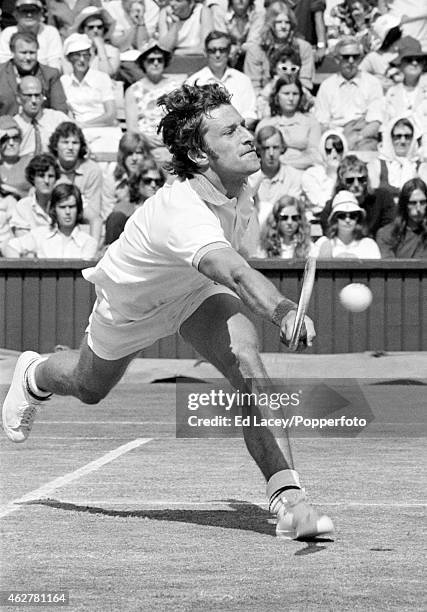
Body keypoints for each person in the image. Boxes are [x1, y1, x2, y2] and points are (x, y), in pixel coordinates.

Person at [2, 82, 333, 541]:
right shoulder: (183, 212)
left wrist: (274, 313)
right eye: (231, 131)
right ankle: (35, 373)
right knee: (87, 385)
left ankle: (290, 500)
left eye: (243, 125)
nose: (247, 136)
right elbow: (236, 272)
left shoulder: (241, 186)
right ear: (200, 155)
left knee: (246, 362)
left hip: (195, 291)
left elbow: (229, 272)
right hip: (132, 306)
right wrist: (283, 311)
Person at [314, 35, 384, 151]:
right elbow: (322, 123)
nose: (351, 61)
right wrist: (339, 141)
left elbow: (375, 122)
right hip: (334, 138)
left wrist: (356, 138)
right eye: (346, 57)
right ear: (337, 59)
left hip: (363, 138)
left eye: (355, 57)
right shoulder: (327, 86)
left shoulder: (372, 83)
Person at [60, 33, 122, 159]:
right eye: (77, 55)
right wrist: (77, 126)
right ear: (69, 58)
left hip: (105, 129)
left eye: (85, 55)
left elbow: (110, 114)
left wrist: (85, 124)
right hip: (77, 132)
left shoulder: (102, 78)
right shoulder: (63, 82)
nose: (81, 60)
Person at [3, 182, 98, 259]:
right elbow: (9, 247)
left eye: (72, 207)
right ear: (54, 209)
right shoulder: (39, 235)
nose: (68, 212)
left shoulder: (88, 242)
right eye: (62, 207)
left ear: (78, 209)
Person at [125, 42, 183, 163]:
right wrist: (145, 139)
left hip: (173, 144)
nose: (156, 63)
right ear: (143, 63)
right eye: (151, 60)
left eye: (159, 60)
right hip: (143, 144)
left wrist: (170, 139)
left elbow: (183, 120)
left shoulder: (177, 87)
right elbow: (132, 127)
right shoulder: (133, 90)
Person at [185, 31, 257, 128]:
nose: (217, 54)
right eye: (212, 50)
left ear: (229, 51)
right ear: (205, 52)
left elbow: (250, 114)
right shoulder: (193, 82)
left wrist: (232, 130)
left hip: (239, 133)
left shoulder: (243, 80)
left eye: (222, 50)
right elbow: (190, 117)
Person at [48, 121, 103, 245]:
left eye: (75, 143)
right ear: (56, 146)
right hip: (51, 222)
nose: (70, 147)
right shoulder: (48, 168)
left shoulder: (92, 169)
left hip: (82, 224)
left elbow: (94, 212)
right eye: (65, 142)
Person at [243, 1, 315, 95]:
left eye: (287, 22)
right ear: (270, 24)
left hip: (295, 96)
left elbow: (306, 83)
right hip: (264, 97)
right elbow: (254, 87)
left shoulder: (304, 48)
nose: (284, 26)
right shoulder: (256, 50)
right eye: (279, 22)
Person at [320, 155, 396, 237]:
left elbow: (389, 231)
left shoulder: (382, 198)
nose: (356, 184)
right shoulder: (331, 207)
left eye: (361, 180)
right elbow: (330, 234)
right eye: (350, 180)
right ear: (341, 182)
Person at [256, 75, 321, 170]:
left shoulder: (310, 121)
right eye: (286, 93)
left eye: (295, 94)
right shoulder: (265, 123)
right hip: (271, 172)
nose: (291, 98)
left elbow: (315, 156)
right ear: (277, 96)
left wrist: (282, 162)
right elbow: (259, 156)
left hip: (303, 171)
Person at [0, 31, 68, 116]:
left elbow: (60, 111)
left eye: (32, 53)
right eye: (23, 53)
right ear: (12, 52)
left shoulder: (50, 75)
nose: (28, 57)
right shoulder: (1, 73)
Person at [250, 125, 302, 228]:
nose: (271, 153)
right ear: (259, 150)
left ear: (282, 148)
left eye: (275, 147)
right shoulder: (249, 176)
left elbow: (291, 210)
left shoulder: (294, 176)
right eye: (266, 148)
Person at [368, 116, 427, 200]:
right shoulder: (377, 165)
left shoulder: (420, 167)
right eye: (398, 136)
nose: (403, 141)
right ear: (390, 138)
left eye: (407, 136)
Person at [13, 76, 70, 157]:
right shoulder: (13, 125)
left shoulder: (59, 119)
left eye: (37, 95)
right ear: (18, 98)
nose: (33, 100)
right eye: (28, 96)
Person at [315, 190, 381, 258]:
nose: (347, 220)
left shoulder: (369, 245)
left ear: (358, 219)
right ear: (334, 219)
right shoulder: (322, 243)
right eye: (342, 215)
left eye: (353, 215)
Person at [0, 0, 63, 71]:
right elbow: (3, 67)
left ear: (41, 14)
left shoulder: (50, 32)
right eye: (24, 11)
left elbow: (55, 66)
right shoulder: (7, 34)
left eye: (33, 11)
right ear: (16, 14)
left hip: (44, 79)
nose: (29, 15)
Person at [382, 37, 427, 136]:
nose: (414, 63)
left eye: (418, 60)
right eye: (409, 60)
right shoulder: (392, 92)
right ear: (400, 64)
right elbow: (386, 125)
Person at [9, 152, 60, 237]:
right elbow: (23, 243)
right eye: (41, 176)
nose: (46, 181)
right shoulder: (23, 207)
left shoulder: (65, 203)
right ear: (33, 178)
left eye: (51, 176)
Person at [376, 177, 427, 258]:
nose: (418, 208)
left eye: (423, 202)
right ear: (404, 205)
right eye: (413, 203)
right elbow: (390, 266)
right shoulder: (387, 234)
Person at [302, 130, 348, 217]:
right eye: (329, 150)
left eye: (338, 149)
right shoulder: (311, 175)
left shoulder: (350, 174)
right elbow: (321, 203)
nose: (334, 154)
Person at [69, 6, 120, 77]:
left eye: (99, 27)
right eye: (91, 27)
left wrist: (101, 48)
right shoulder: (73, 50)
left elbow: (107, 76)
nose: (95, 30)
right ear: (82, 30)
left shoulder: (113, 51)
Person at [214, 0, 265, 71]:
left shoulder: (258, 13)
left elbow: (253, 43)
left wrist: (237, 50)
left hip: (249, 58)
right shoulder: (220, 11)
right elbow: (221, 41)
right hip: (226, 57)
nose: (241, 0)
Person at [0, 115, 32, 199]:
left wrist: (14, 191)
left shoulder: (30, 163)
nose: (11, 143)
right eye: (5, 139)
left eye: (15, 138)